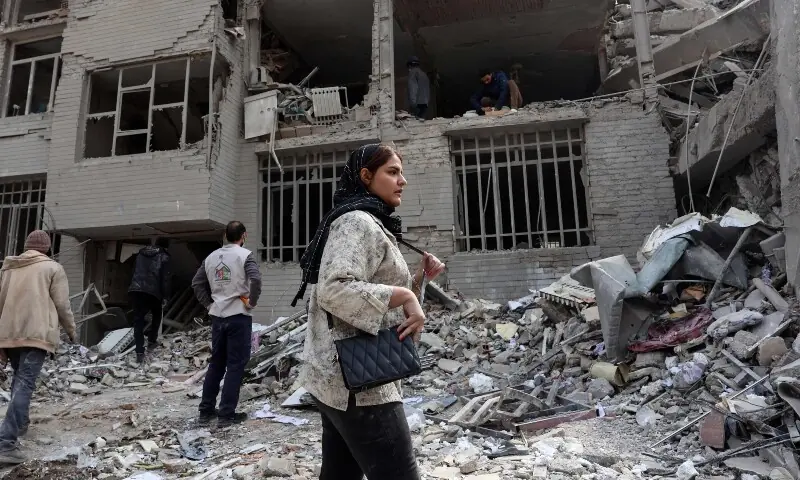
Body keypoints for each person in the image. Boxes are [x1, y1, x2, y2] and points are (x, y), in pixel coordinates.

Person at [292, 144, 445, 480]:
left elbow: (373, 292)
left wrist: (418, 280)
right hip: (361, 384)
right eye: (392, 172)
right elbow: (336, 289)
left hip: (339, 379)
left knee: (340, 474)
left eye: (401, 172)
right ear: (365, 176)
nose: (402, 180)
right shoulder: (356, 221)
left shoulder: (370, 221)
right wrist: (405, 294)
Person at [0, 231, 76, 464]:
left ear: (27, 246)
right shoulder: (53, 268)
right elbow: (62, 304)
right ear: (47, 248)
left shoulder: (9, 268)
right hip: (36, 334)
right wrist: (72, 331)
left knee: (18, 381)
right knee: (25, 384)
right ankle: (6, 444)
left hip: (9, 334)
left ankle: (21, 425)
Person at [192, 221, 262, 428]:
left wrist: (209, 304)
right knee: (235, 366)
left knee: (216, 364)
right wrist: (252, 302)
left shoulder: (211, 258)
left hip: (218, 316)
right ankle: (226, 414)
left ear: (225, 235)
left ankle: (205, 411)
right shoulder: (245, 255)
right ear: (244, 235)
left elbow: (196, 283)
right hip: (238, 315)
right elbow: (256, 279)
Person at [128, 238, 171, 364]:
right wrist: (166, 296)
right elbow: (165, 279)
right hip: (153, 291)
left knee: (138, 321)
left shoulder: (140, 255)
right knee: (157, 315)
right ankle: (152, 341)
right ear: (166, 247)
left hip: (136, 290)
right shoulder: (164, 256)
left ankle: (139, 352)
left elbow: (133, 272)